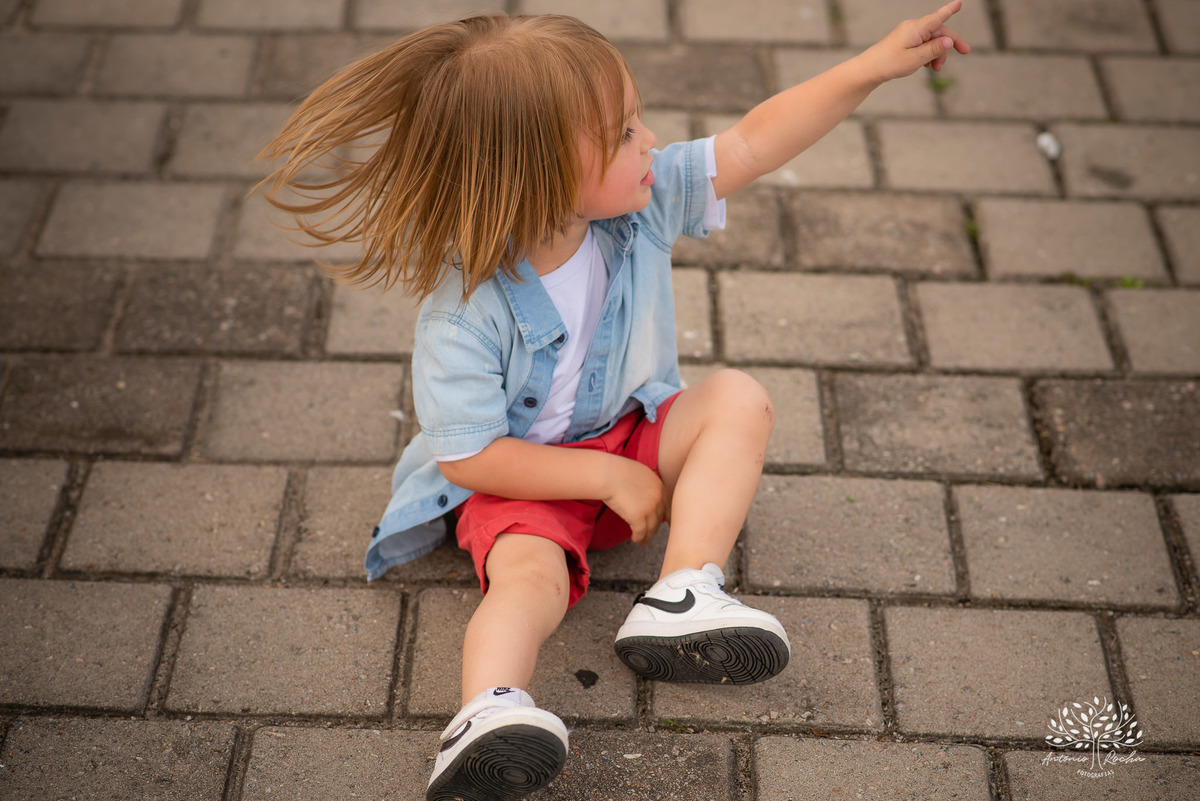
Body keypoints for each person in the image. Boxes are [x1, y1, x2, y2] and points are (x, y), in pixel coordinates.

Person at [260, 3, 968, 799]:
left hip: (626, 434)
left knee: (738, 397)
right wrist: (603, 480)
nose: (652, 143)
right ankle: (487, 711)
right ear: (545, 173)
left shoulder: (635, 209)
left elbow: (751, 141)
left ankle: (682, 590)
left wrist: (871, 66)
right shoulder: (464, 311)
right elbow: (468, 455)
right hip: (523, 481)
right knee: (529, 580)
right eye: (627, 133)